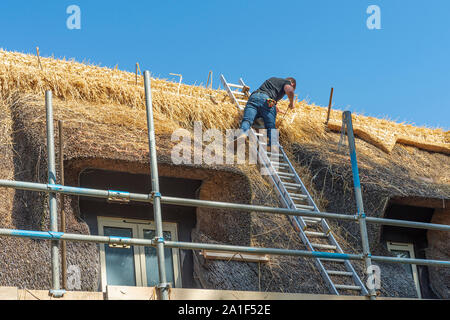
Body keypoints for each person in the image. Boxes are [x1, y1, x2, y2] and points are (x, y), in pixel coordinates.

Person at [237, 77, 296, 152]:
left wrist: (277, 109)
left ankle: (242, 134)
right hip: (267, 101)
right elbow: (290, 91)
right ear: (292, 84)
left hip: (254, 97)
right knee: (270, 126)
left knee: (247, 120)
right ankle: (272, 145)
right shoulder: (287, 83)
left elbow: (265, 97)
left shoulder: (273, 80)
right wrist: (291, 103)